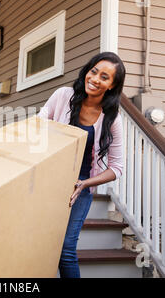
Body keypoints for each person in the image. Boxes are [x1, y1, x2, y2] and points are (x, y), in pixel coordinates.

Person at [38, 52, 125, 278]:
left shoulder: (111, 118)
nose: (95, 79)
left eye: (104, 77)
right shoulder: (63, 95)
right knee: (41, 246)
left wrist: (85, 183)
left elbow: (117, 168)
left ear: (112, 85)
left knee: (65, 251)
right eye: (93, 71)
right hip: (47, 183)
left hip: (79, 190)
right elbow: (37, 127)